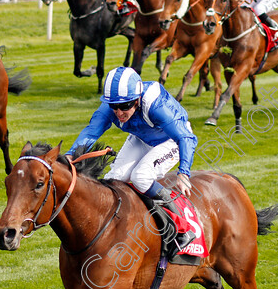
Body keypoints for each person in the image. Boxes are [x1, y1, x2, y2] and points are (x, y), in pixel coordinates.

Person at [67, 67, 198, 251]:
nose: (119, 112)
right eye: (114, 106)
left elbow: (186, 138)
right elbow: (91, 132)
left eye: (125, 106)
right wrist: (70, 155)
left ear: (137, 99)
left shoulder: (155, 105)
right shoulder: (110, 107)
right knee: (113, 180)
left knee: (140, 176)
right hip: (142, 138)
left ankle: (182, 229)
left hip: (172, 140)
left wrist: (184, 173)